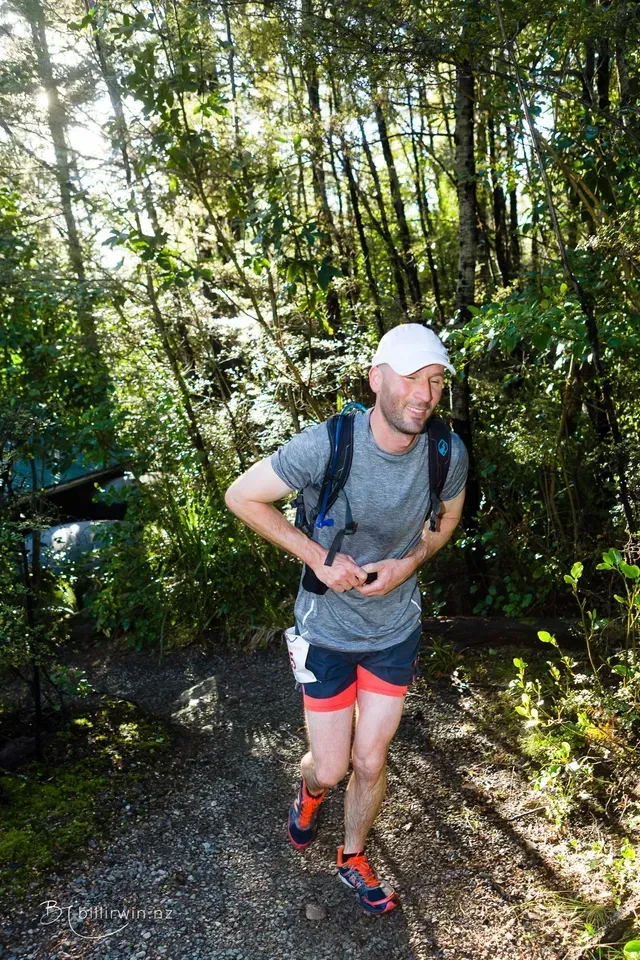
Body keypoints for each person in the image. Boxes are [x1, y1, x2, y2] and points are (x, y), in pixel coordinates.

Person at [224, 323, 468, 915]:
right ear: (376, 379)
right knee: (332, 766)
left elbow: (447, 519)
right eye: (411, 377)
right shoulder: (328, 444)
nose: (424, 392)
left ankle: (352, 855)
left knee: (371, 759)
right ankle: (310, 791)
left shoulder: (446, 451)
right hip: (325, 631)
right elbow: (241, 495)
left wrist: (410, 562)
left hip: (393, 630)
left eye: (435, 380)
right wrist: (318, 558)